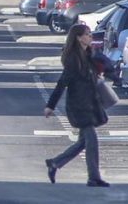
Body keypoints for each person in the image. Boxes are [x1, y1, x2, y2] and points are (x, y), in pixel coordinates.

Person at [43, 24, 110, 187]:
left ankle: (55, 163)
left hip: (91, 103)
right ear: (79, 38)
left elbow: (100, 71)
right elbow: (62, 84)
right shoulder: (73, 59)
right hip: (78, 107)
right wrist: (50, 106)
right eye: (87, 35)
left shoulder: (89, 55)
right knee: (91, 140)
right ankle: (93, 177)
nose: (90, 37)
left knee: (84, 142)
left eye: (90, 34)